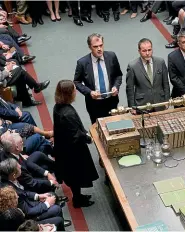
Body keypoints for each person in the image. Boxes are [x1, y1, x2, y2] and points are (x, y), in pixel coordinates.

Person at [53, 80, 98, 208]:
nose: (75, 92)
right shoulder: (68, 113)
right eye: (74, 90)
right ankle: (77, 199)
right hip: (73, 151)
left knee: (73, 176)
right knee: (76, 176)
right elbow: (76, 134)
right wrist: (89, 138)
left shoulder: (58, 107)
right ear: (69, 93)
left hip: (64, 148)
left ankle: (78, 196)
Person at [0, 159, 69, 230]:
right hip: (28, 218)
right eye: (18, 167)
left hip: (27, 204)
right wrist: (47, 204)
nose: (20, 166)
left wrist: (38, 196)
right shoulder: (10, 192)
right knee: (56, 209)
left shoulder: (10, 181)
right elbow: (28, 213)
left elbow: (24, 193)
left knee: (51, 195)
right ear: (14, 175)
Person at [74, 33, 123, 124]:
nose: (99, 49)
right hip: (94, 104)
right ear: (90, 47)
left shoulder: (112, 56)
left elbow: (118, 75)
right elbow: (77, 82)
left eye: (101, 45)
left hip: (111, 100)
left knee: (114, 125)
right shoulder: (82, 63)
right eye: (95, 47)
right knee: (98, 129)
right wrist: (89, 92)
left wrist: (116, 86)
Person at [126, 38, 170, 113]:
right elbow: (130, 89)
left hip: (160, 103)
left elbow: (165, 83)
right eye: (144, 51)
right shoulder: (132, 66)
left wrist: (166, 101)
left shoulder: (160, 62)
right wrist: (132, 107)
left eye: (149, 50)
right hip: (142, 105)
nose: (147, 53)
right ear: (139, 51)